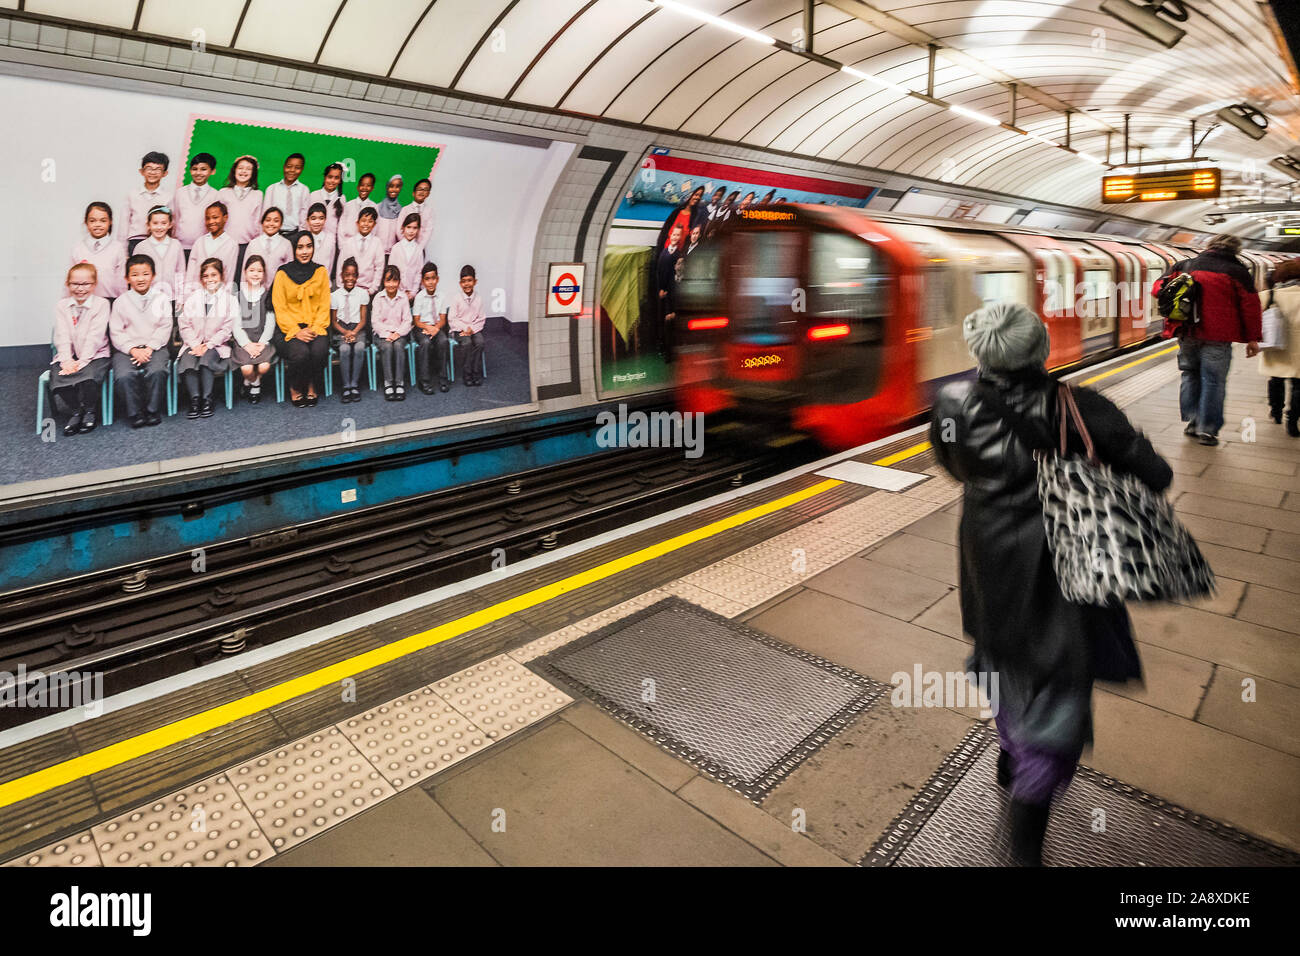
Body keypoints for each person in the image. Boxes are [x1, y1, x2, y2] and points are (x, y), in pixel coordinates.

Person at [930, 302, 1172, 866]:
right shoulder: (1081, 407)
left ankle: (1010, 753)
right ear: (1040, 350)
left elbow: (951, 463)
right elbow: (1156, 475)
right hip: (1067, 565)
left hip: (987, 556)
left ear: (979, 352)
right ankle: (1024, 848)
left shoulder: (949, 403)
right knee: (1059, 690)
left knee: (1002, 653)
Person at [1153, 233, 1262, 446]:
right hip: (1218, 337)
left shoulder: (1184, 265)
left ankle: (1193, 422)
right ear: (1235, 251)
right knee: (1213, 381)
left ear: (1209, 246)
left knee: (1189, 375)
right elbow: (1250, 307)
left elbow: (1157, 289)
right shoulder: (1238, 272)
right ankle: (1208, 430)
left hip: (1186, 332)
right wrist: (1253, 339)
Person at [109, 253, 172, 427]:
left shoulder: (161, 299)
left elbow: (165, 326)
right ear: (127, 278)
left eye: (145, 274)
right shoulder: (120, 302)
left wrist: (149, 348)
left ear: (153, 276)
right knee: (123, 375)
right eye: (135, 275)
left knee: (157, 371)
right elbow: (116, 331)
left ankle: (152, 410)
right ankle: (135, 412)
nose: (140, 279)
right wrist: (133, 349)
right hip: (128, 350)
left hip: (155, 347)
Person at [49, 263, 111, 436]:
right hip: (69, 355)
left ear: (93, 285)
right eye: (75, 284)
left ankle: (90, 410)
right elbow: (62, 335)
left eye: (85, 284)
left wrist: (82, 362)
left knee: (90, 377)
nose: (80, 288)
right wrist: (67, 361)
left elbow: (95, 336)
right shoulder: (62, 306)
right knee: (58, 377)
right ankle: (76, 410)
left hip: (95, 354)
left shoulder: (102, 304)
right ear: (68, 284)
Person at [272, 232, 331, 407]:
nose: (305, 251)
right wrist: (296, 331)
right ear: (293, 249)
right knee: (301, 354)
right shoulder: (282, 273)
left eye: (309, 246)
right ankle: (296, 387)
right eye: (300, 247)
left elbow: (324, 304)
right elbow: (279, 307)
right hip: (288, 329)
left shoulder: (320, 271)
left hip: (315, 326)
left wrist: (314, 328)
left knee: (319, 351)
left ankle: (311, 384)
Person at [177, 258, 236, 418]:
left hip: (216, 346)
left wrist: (208, 345)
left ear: (221, 276)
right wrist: (196, 345)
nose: (210, 279)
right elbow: (184, 324)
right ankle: (195, 400)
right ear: (201, 279)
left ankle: (207, 399)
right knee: (187, 361)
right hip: (193, 344)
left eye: (214, 275)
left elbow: (227, 329)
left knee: (205, 360)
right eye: (206, 276)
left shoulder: (229, 300)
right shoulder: (193, 299)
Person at [1260, 258, 1300, 437]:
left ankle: (1276, 411)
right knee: (1299, 387)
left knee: (1275, 379)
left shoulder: (1269, 295)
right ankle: (1292, 421)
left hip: (1276, 344)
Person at [231, 255, 278, 404]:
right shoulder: (237, 296)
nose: (255, 274)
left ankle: (250, 383)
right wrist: (247, 344)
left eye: (259, 271)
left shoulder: (268, 296)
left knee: (264, 367)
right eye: (252, 270)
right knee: (247, 369)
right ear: (245, 272)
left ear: (264, 274)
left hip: (262, 341)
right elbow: (235, 325)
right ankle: (255, 384)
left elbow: (270, 324)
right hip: (244, 342)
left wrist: (262, 343)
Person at [330, 257, 370, 403]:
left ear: (357, 277)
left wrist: (354, 332)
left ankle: (355, 384)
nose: (350, 278)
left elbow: (364, 319)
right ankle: (346, 386)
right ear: (341, 276)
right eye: (347, 274)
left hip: (357, 328)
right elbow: (334, 322)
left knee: (359, 347)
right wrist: (345, 332)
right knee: (345, 349)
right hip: (341, 330)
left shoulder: (362, 294)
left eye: (353, 275)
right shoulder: (334, 296)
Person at [371, 264, 412, 400]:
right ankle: (388, 382)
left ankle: (399, 382)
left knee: (399, 346)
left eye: (394, 281)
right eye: (388, 281)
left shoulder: (403, 298)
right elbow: (375, 322)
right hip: (381, 334)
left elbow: (407, 320)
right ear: (384, 282)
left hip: (399, 333)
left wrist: (397, 333)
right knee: (388, 346)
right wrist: (387, 335)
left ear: (399, 282)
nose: (391, 285)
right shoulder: (378, 298)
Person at [70, 202, 126, 301]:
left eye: (103, 221)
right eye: (92, 221)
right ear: (86, 222)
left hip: (111, 301)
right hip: (84, 301)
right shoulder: (78, 248)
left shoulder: (118, 248)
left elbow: (122, 281)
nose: (98, 225)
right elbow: (71, 279)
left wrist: (123, 303)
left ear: (110, 222)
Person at [412, 262, 450, 394]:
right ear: (423, 281)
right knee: (425, 342)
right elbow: (416, 321)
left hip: (437, 326)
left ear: (437, 279)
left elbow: (443, 318)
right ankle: (424, 381)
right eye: (427, 279)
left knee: (443, 341)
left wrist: (435, 328)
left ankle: (443, 378)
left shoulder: (442, 296)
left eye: (433, 278)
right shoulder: (419, 297)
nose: (430, 282)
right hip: (422, 327)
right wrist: (428, 328)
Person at [185, 202, 238, 295]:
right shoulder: (199, 242)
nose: (210, 221)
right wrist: (187, 295)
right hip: (197, 295)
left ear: (225, 218)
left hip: (218, 297)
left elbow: (229, 276)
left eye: (215, 217)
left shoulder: (231, 245)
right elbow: (190, 273)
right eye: (207, 218)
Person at [123, 151, 173, 248]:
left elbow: (172, 225)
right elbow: (124, 225)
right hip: (135, 241)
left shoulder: (169, 197)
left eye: (158, 169)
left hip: (159, 240)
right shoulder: (132, 195)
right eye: (149, 168)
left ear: (165, 173)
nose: (153, 172)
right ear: (141, 171)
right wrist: (123, 250)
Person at [448, 264, 486, 387]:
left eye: (470, 281)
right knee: (467, 343)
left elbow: (481, 319)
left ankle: (475, 372)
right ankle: (467, 373)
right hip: (460, 329)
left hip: (474, 329)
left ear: (475, 282)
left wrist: (472, 329)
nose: (467, 284)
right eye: (464, 281)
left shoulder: (478, 298)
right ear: (460, 283)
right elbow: (452, 319)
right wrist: (465, 328)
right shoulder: (456, 298)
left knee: (480, 342)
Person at [174, 152, 219, 256]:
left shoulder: (216, 195)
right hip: (180, 246)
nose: (198, 173)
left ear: (212, 171)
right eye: (194, 169)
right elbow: (175, 218)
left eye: (203, 169)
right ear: (190, 170)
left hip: (204, 248)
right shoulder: (180, 193)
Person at [136, 206, 184, 300]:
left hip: (172, 298)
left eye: (163, 223)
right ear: (148, 225)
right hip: (148, 298)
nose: (159, 227)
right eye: (155, 223)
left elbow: (180, 274)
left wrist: (180, 299)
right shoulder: (141, 247)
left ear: (170, 224)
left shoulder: (176, 245)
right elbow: (135, 275)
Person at [219, 155, 263, 246]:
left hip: (247, 243)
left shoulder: (258, 194)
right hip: (224, 242)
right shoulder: (223, 192)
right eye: (240, 168)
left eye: (248, 169)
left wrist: (257, 242)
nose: (243, 171)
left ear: (253, 173)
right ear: (234, 170)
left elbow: (258, 220)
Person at [338, 207, 384, 295]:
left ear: (374, 224)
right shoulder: (349, 242)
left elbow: (379, 269)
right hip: (349, 288)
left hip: (367, 290)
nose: (366, 224)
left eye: (370, 221)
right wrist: (341, 287)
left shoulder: (377, 243)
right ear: (357, 223)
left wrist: (372, 289)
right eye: (363, 220)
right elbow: (340, 265)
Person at [263, 152, 310, 234]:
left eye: (297, 167)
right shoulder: (272, 189)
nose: (292, 170)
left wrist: (301, 235)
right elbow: (265, 214)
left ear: (302, 170)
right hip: (274, 233)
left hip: (295, 234)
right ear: (284, 167)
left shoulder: (304, 190)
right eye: (289, 167)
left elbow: (304, 215)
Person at [244, 208, 292, 279]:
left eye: (276, 221)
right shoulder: (253, 244)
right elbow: (244, 270)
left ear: (281, 224)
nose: (271, 224)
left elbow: (290, 271)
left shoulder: (286, 244)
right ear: (262, 223)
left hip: (278, 288)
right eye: (268, 220)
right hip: (255, 287)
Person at [387, 214, 425, 300]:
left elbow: (419, 273)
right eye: (408, 227)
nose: (411, 231)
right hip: (396, 292)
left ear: (418, 230)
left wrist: (413, 292)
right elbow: (391, 271)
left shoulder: (419, 250)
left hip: (412, 294)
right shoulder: (396, 248)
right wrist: (398, 291)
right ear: (403, 228)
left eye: (415, 228)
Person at [309, 162, 346, 236]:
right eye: (330, 177)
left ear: (340, 180)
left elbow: (342, 224)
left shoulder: (342, 198)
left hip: (332, 241)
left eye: (336, 178)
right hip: (313, 238)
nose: (332, 181)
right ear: (325, 177)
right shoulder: (313, 195)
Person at [338, 172, 378, 242]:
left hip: (365, 243)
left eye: (368, 185)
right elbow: (341, 227)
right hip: (347, 242)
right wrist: (342, 246)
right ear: (358, 187)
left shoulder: (374, 206)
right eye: (362, 185)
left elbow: (374, 229)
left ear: (372, 188)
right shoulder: (348, 205)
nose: (365, 188)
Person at [303, 202, 337, 283]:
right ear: (308, 220)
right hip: (306, 283)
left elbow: (331, 262)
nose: (317, 222)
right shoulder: (304, 238)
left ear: (325, 219)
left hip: (324, 282)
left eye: (321, 218)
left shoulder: (330, 238)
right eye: (313, 218)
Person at [400, 178, 434, 251]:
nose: (422, 192)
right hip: (404, 248)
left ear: (428, 194)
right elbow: (399, 230)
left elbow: (428, 231)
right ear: (413, 193)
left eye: (425, 189)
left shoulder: (429, 211)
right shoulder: (405, 209)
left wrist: (419, 248)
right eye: (419, 189)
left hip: (420, 249)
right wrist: (406, 245)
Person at [375, 174, 405, 251]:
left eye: (397, 186)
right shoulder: (377, 207)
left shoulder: (402, 210)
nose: (394, 189)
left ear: (400, 188)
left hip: (393, 253)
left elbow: (401, 234)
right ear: (387, 187)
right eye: (391, 186)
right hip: (377, 251)